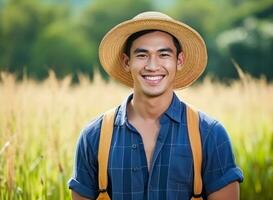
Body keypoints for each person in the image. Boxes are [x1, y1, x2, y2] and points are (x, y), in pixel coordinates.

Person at [68, 11, 243, 200]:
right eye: (142, 55)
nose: (152, 66)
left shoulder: (210, 134)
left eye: (164, 54)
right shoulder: (94, 137)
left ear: (179, 61)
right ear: (127, 62)